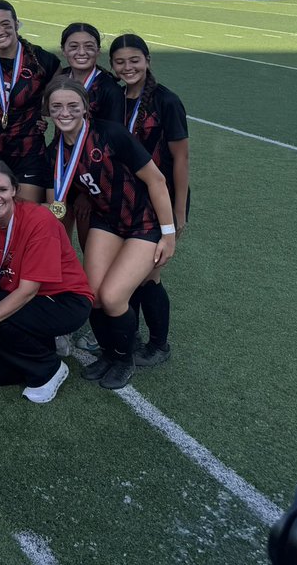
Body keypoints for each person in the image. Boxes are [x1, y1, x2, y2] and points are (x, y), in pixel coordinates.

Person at [42, 78, 177, 390]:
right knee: (92, 297)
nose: (65, 112)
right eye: (57, 106)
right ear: (48, 111)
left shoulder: (111, 133)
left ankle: (124, 358)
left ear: (86, 109)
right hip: (107, 222)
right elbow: (56, 202)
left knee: (114, 297)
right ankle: (108, 354)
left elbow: (156, 181)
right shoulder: (55, 152)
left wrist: (168, 235)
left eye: (72, 106)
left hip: (143, 223)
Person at [0, 159, 94, 403]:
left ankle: (49, 368)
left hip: (64, 300)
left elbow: (28, 292)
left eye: (2, 190)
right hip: (24, 297)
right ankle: (43, 344)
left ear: (15, 191)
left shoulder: (39, 220)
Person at [110, 34, 190, 368]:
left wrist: (179, 212)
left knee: (149, 275)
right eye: (120, 61)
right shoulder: (113, 97)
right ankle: (133, 334)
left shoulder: (166, 101)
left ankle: (158, 344)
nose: (128, 67)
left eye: (134, 60)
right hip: (122, 200)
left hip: (160, 201)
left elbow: (181, 159)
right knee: (132, 273)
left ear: (147, 60)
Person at [0, 0, 60, 203]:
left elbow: (59, 95)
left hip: (27, 151)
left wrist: (39, 115)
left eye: (5, 24)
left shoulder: (42, 59)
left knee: (25, 216)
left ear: (17, 24)